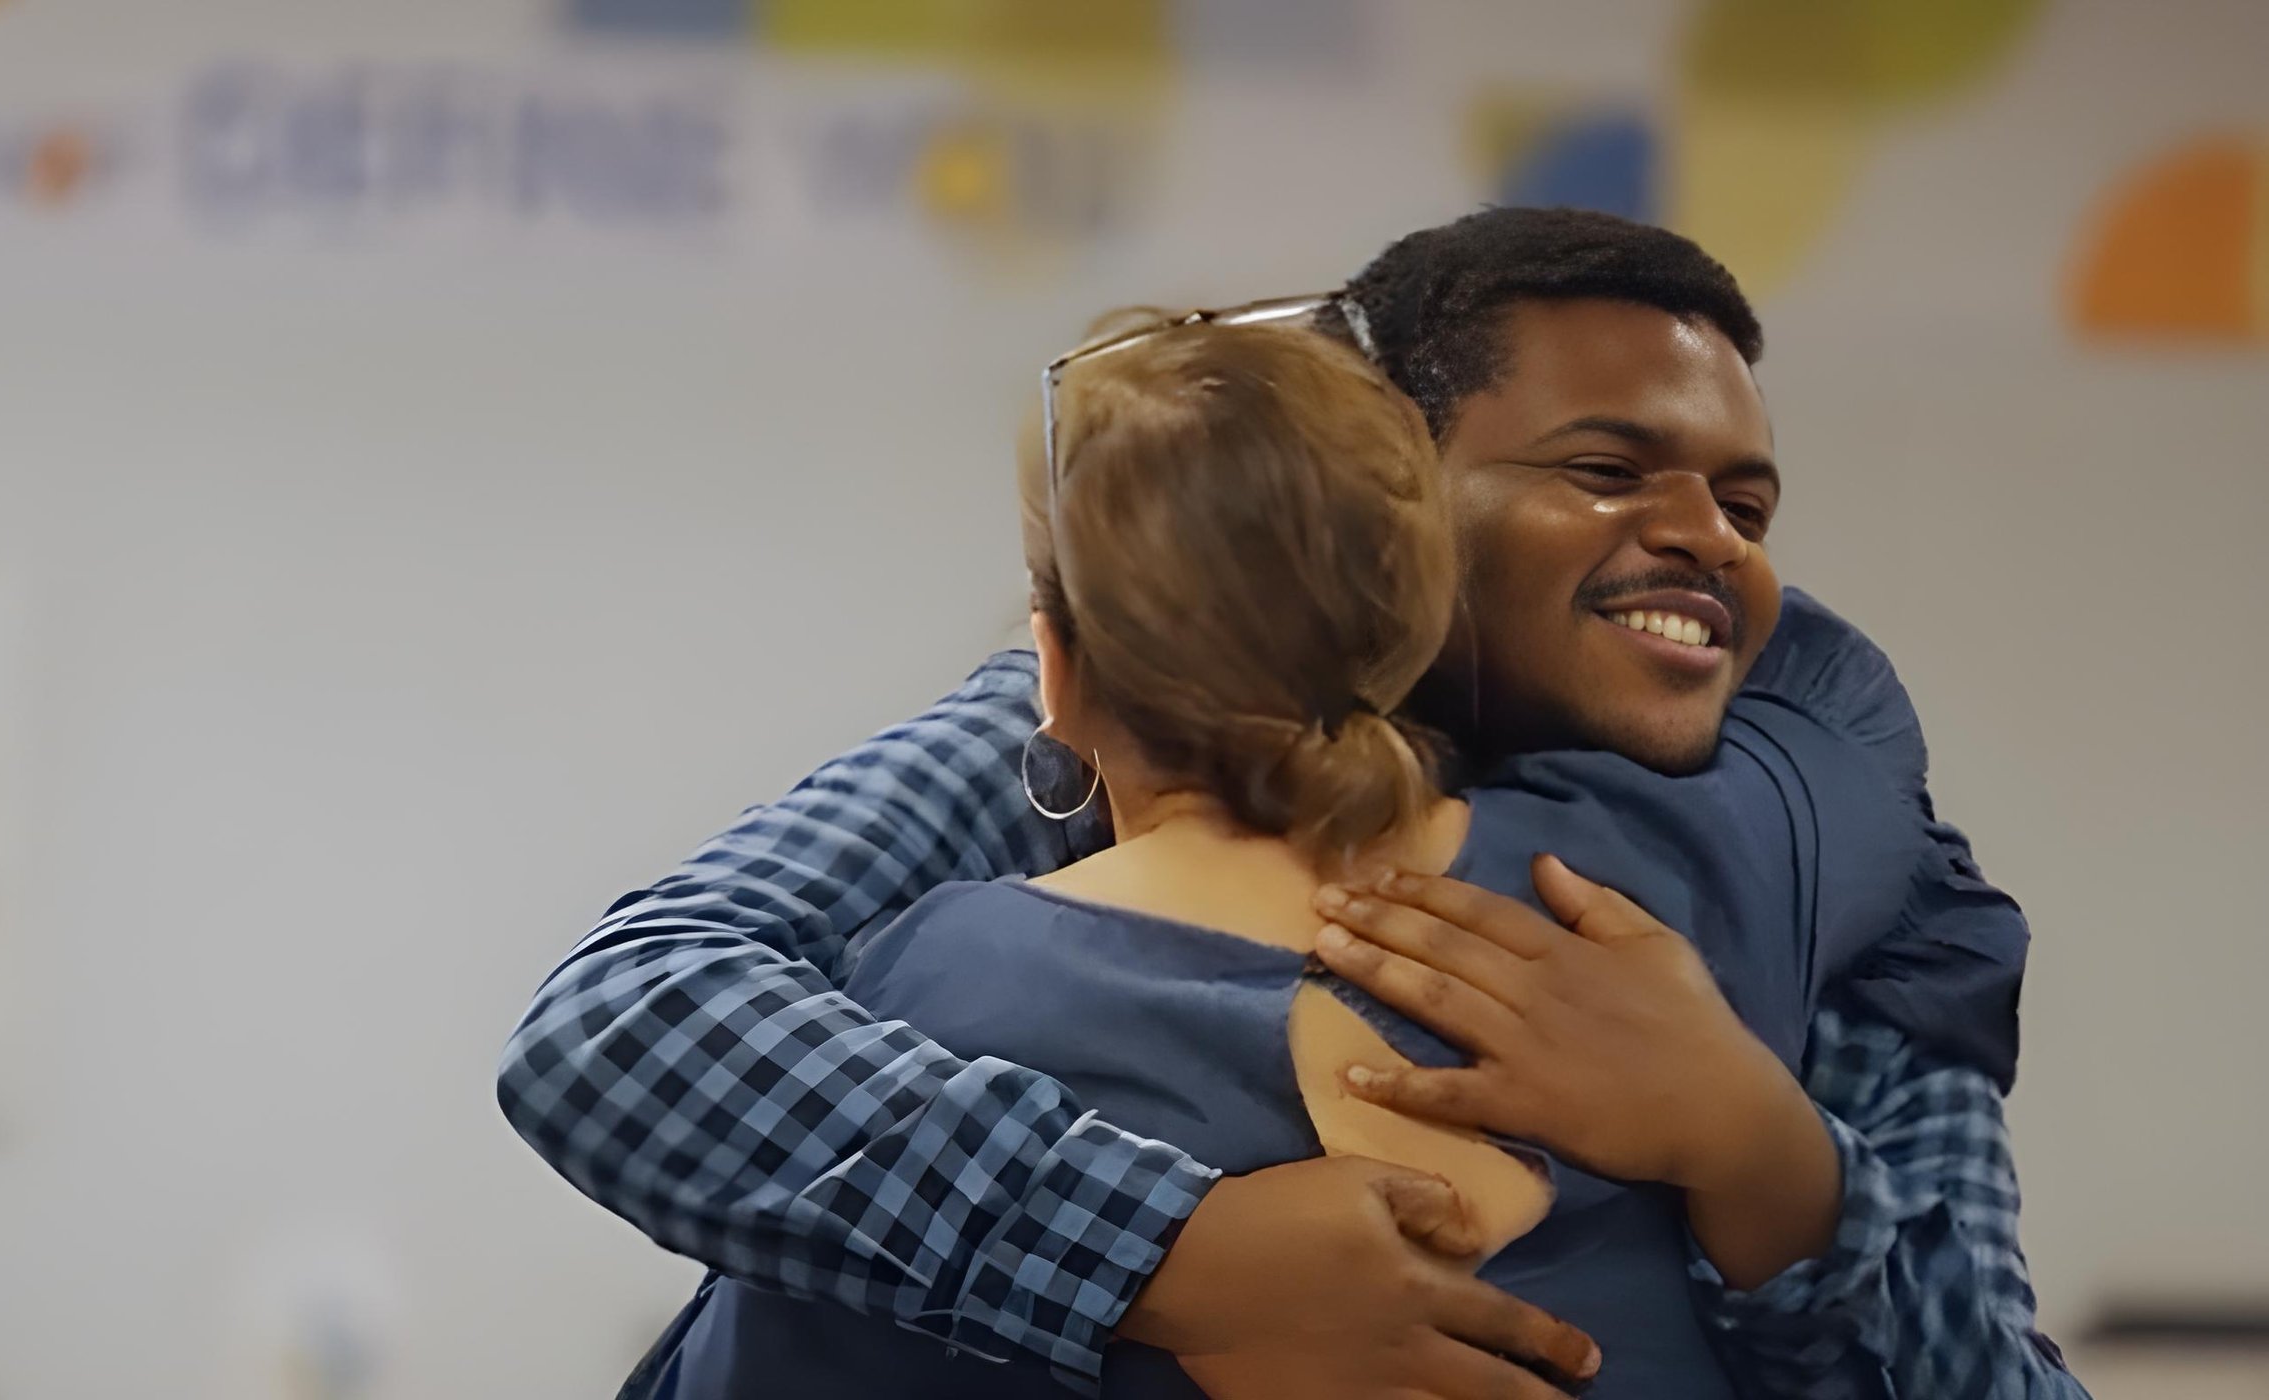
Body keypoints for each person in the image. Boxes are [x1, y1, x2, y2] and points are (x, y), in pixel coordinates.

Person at [499, 210, 2080, 1398]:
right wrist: (1165, 1258)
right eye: (1606, 468)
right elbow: (628, 1024)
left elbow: (1992, 1373)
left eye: (1747, 502)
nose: (1709, 539)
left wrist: (1764, 1152)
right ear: (1382, 494)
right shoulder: (1121, 691)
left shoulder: (1820, 828)